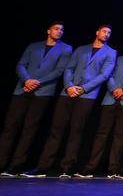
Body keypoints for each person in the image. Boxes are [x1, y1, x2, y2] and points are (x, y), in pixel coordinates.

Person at [23, 24, 117, 178]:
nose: (106, 34)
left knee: (76, 131)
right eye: (104, 31)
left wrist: (83, 88)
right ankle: (43, 167)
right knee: (56, 129)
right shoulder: (81, 49)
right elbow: (68, 68)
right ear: (97, 32)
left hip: (87, 95)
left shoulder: (111, 52)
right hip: (67, 93)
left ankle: (67, 167)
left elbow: (104, 75)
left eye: (109, 33)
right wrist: (69, 86)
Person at [0, 22, 72, 177]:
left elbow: (59, 71)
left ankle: (15, 166)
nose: (59, 32)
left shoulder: (66, 48)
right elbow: (21, 65)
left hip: (42, 91)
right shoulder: (34, 46)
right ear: (48, 30)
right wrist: (27, 80)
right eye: (56, 29)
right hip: (22, 89)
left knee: (29, 129)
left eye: (62, 30)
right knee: (10, 127)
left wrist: (37, 82)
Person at [76, 37, 123, 178]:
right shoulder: (119, 59)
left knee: (119, 135)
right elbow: (109, 76)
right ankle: (90, 168)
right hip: (110, 99)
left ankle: (113, 169)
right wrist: (114, 90)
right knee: (102, 134)